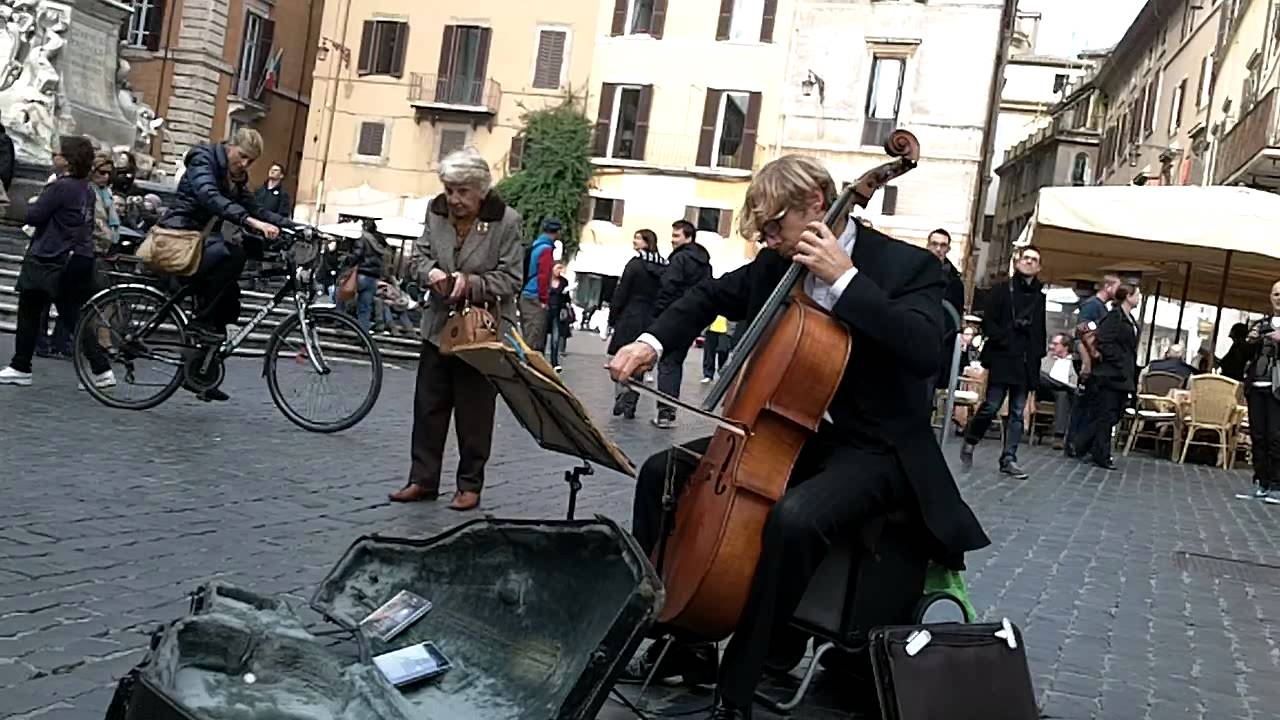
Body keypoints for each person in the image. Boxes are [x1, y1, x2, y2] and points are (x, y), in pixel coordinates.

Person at [607, 155, 989, 719]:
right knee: (662, 471)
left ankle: (740, 683)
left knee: (795, 518)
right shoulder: (777, 266)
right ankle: (682, 641)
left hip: (880, 449)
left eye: (773, 225)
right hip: (795, 434)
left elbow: (924, 348)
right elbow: (708, 297)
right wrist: (651, 344)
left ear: (816, 202)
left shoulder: (904, 266)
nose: (768, 240)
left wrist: (846, 281)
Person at [390, 147, 523, 512]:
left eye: (462, 191)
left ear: (480, 190)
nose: (454, 199)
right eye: (449, 190)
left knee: (474, 412)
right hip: (437, 326)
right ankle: (422, 479)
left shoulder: (505, 222)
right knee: (428, 407)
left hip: (481, 333)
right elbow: (417, 255)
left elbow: (512, 278)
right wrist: (430, 272)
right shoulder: (436, 212)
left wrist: (470, 282)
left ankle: (469, 485)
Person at [0, 136, 115, 388]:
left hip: (53, 256)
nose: (53, 157)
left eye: (57, 154)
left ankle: (21, 366)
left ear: (68, 160)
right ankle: (101, 370)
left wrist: (22, 205)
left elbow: (35, 215)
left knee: (30, 310)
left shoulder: (61, 187)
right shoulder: (86, 188)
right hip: (77, 256)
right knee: (72, 314)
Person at [156, 128, 287, 349]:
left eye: (251, 160)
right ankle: (200, 321)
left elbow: (258, 209)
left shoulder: (233, 178)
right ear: (230, 146)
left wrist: (300, 227)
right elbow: (210, 196)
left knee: (229, 300)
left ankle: (202, 368)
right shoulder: (203, 160)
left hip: (199, 240)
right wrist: (251, 222)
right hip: (178, 236)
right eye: (242, 156)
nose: (245, 164)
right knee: (233, 255)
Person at [959, 246, 1047, 479]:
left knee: (1018, 412)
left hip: (1025, 362)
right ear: (1018, 262)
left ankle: (1009, 458)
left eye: (1034, 260)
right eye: (1026, 258)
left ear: (1038, 267)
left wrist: (1036, 358)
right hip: (1002, 357)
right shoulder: (1000, 290)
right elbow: (988, 324)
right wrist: (1007, 337)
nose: (1029, 262)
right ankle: (971, 439)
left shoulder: (1040, 297)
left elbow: (1040, 331)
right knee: (991, 405)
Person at [1071, 284, 1141, 470]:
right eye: (1138, 294)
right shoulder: (1114, 317)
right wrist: (1118, 361)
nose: (1139, 297)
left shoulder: (1130, 319)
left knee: (1114, 413)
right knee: (1107, 414)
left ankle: (1081, 444)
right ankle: (1101, 454)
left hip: (1122, 375)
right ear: (1128, 296)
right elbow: (1105, 342)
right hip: (1110, 375)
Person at [650, 219, 712, 428]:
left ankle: (665, 412)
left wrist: (659, 312)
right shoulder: (705, 264)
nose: (672, 240)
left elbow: (668, 286)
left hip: (673, 314)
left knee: (667, 363)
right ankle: (668, 410)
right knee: (675, 362)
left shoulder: (680, 259)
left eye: (677, 236)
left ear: (688, 237)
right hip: (693, 317)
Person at [608, 229, 668, 419]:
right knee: (639, 363)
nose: (634, 241)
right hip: (650, 318)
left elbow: (622, 291)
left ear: (647, 242)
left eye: (638, 238)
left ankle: (621, 396)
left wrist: (613, 316)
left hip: (630, 315)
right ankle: (631, 403)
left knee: (623, 357)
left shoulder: (635, 265)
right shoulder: (664, 266)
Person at [1065, 275, 1120, 455]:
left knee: (1088, 403)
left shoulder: (1100, 307)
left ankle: (1079, 443)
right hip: (1087, 360)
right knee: (1084, 403)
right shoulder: (1092, 306)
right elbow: (1082, 332)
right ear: (1108, 287)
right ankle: (1073, 443)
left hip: (1091, 360)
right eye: (1117, 287)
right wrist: (1088, 361)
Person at [1241, 283, 1280, 504]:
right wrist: (1251, 339)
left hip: (1278, 388)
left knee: (1276, 436)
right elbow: (1243, 353)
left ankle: (1277, 484)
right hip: (1256, 386)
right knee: (1258, 436)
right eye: (1276, 294)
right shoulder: (1260, 323)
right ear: (1270, 297)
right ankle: (1261, 481)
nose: (1279, 298)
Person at [927, 228, 966, 391]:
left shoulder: (955, 282)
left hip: (940, 343)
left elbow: (956, 315)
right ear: (928, 245)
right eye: (934, 244)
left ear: (948, 249)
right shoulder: (913, 270)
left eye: (943, 245)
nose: (938, 249)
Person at [520, 218, 560, 351]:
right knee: (535, 341)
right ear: (557, 232)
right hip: (535, 297)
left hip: (526, 294)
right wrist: (544, 299)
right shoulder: (546, 250)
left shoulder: (535, 245)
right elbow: (543, 275)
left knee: (527, 336)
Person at [1038, 333, 1079, 448]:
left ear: (1065, 347)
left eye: (1056, 344)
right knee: (1041, 375)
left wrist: (1066, 386)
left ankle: (1058, 436)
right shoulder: (1047, 358)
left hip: (1064, 392)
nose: (1052, 346)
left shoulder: (1073, 362)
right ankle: (1061, 385)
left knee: (1063, 394)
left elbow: (1074, 383)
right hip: (1045, 390)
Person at [547, 262, 572, 371]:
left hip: (557, 312)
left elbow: (567, 299)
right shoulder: (546, 280)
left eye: (560, 268)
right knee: (541, 337)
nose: (559, 271)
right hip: (545, 310)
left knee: (555, 338)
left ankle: (554, 362)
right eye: (557, 268)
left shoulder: (563, 281)